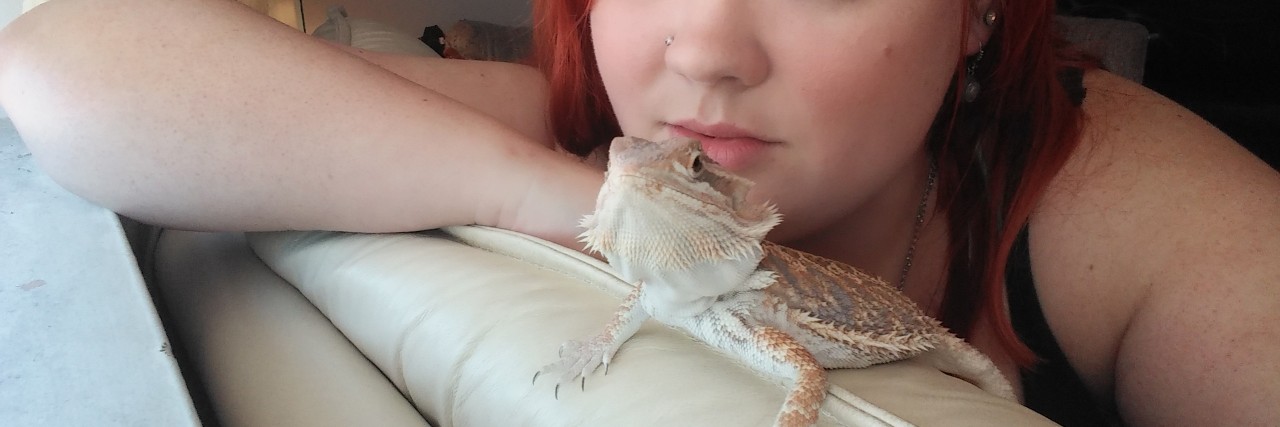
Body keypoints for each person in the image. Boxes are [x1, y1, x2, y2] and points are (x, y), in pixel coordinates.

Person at [1, 0, 1276, 425]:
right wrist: (580, 203)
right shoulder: (579, 131)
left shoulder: (1118, 195)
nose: (704, 54)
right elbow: (68, 58)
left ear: (980, 15)